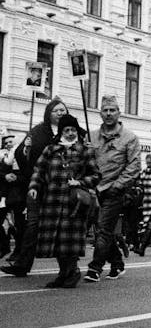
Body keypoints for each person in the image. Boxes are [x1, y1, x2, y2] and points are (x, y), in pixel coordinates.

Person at [27, 114, 101, 288]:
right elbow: (39, 170)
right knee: (57, 241)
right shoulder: (50, 150)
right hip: (52, 200)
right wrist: (34, 187)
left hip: (73, 203)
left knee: (70, 241)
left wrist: (81, 182)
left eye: (73, 130)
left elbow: (96, 175)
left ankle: (72, 272)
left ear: (77, 131)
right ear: (61, 131)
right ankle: (63, 273)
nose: (69, 133)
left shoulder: (85, 150)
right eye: (66, 130)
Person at [2, 98, 70, 277]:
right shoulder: (38, 131)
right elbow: (21, 153)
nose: (60, 113)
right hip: (38, 185)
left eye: (63, 110)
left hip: (60, 187)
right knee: (32, 224)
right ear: (49, 113)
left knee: (62, 228)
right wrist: (28, 157)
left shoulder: (71, 131)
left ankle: (71, 268)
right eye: (57, 110)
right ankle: (22, 264)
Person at [84, 96, 141, 281]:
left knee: (103, 229)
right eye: (105, 110)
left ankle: (95, 268)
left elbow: (134, 166)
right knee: (101, 229)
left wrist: (117, 186)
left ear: (119, 113)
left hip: (113, 191)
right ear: (100, 112)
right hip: (92, 190)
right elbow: (83, 161)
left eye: (112, 110)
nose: (108, 114)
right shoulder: (90, 136)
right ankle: (117, 263)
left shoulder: (129, 138)